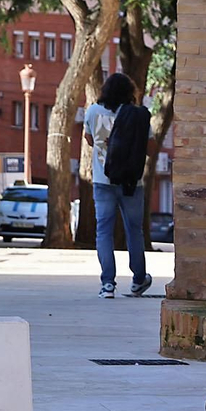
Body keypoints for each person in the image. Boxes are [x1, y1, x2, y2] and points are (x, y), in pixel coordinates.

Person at [82, 72, 153, 299]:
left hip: (103, 180)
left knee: (104, 230)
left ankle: (108, 284)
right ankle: (138, 279)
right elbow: (148, 146)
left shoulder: (93, 111)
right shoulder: (136, 114)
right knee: (134, 230)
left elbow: (89, 138)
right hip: (132, 180)